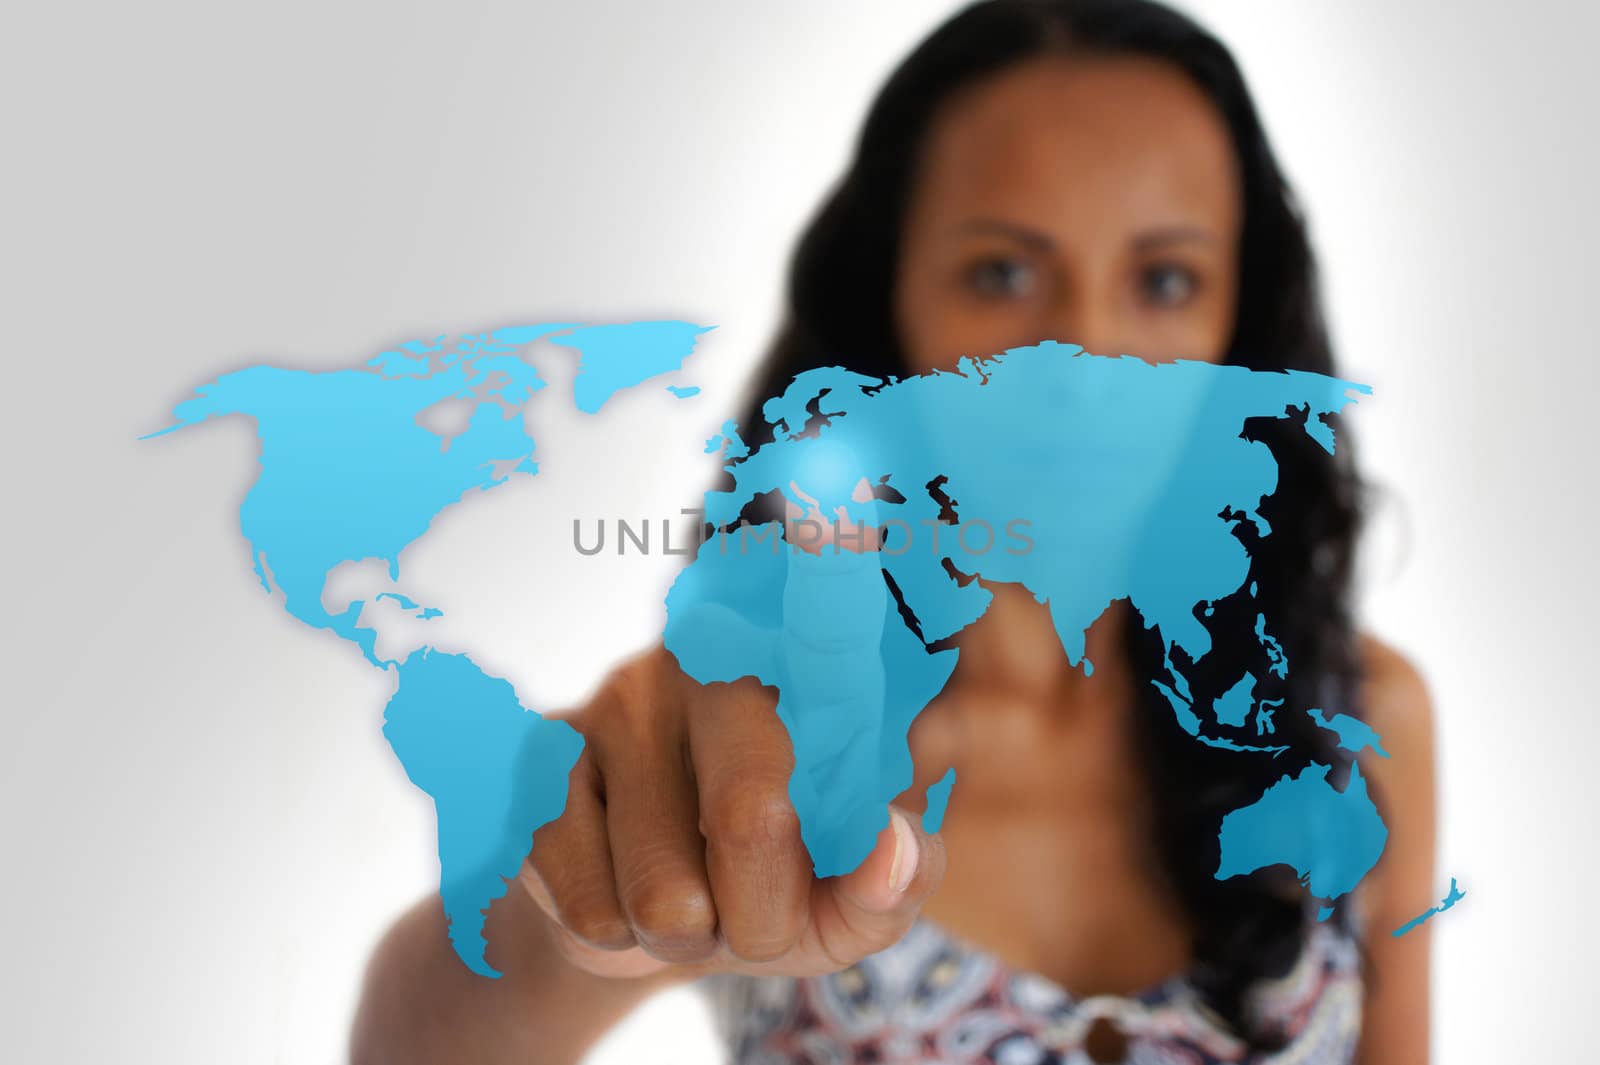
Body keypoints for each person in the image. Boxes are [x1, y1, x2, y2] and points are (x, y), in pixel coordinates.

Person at [350, 1, 1437, 1061]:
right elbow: (411, 1043)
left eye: (1164, 279)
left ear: (1236, 329)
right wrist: (578, 912)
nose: (1086, 361)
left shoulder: (1359, 728)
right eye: (1002, 273)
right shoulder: (776, 753)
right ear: (891, 312)